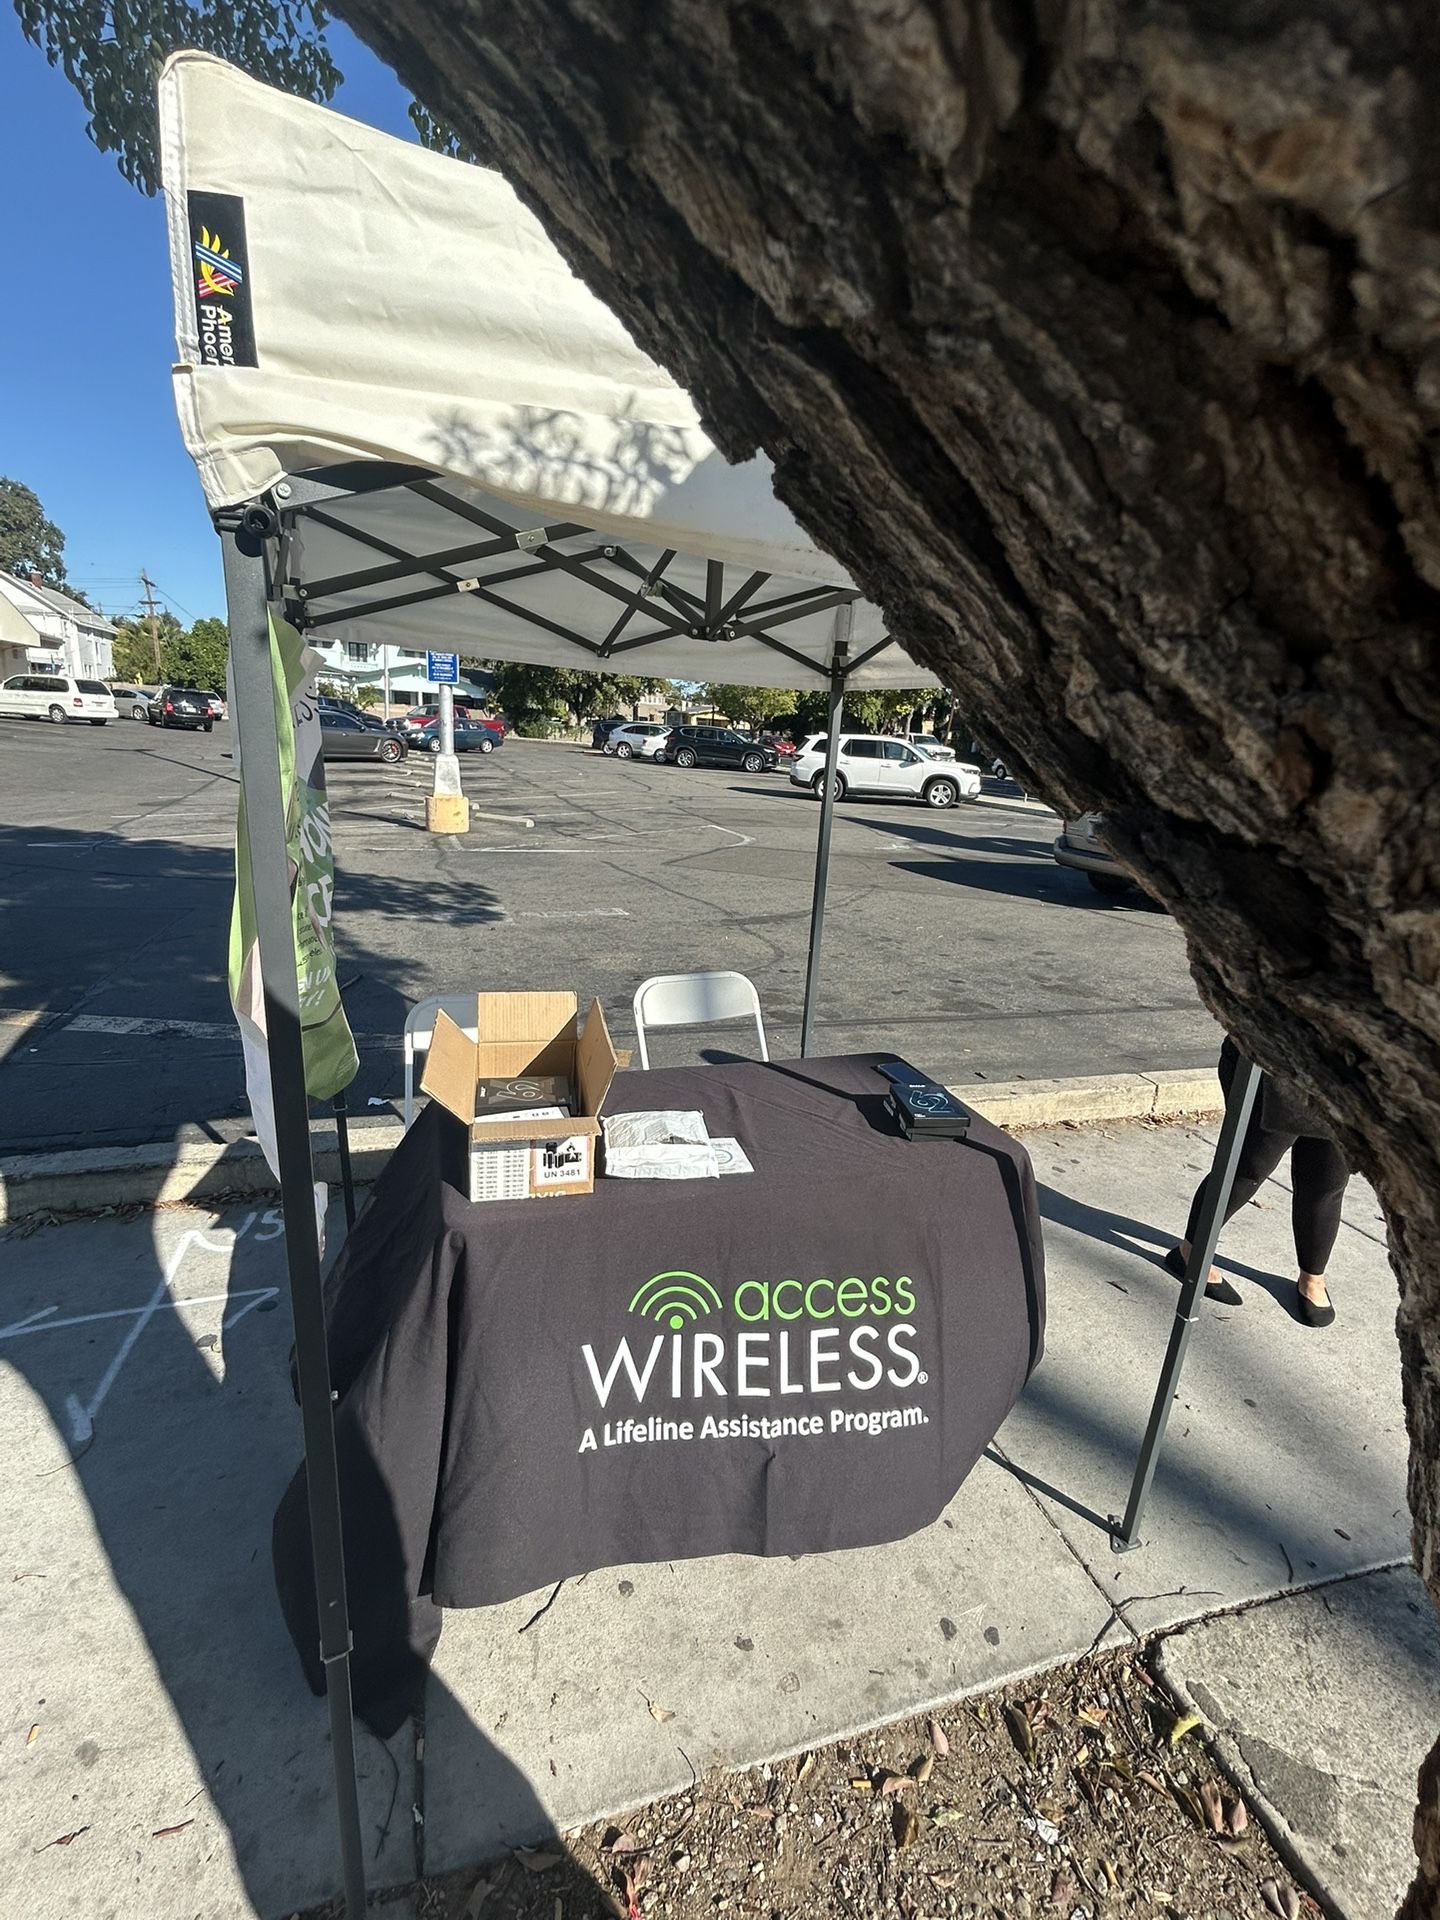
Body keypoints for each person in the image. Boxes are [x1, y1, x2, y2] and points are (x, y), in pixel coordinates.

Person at [1167, 1038, 1351, 1327]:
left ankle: (1313, 1277)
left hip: (1352, 1079)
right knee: (1248, 1166)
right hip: (1279, 1059)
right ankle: (1190, 1253)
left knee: (1328, 1179)